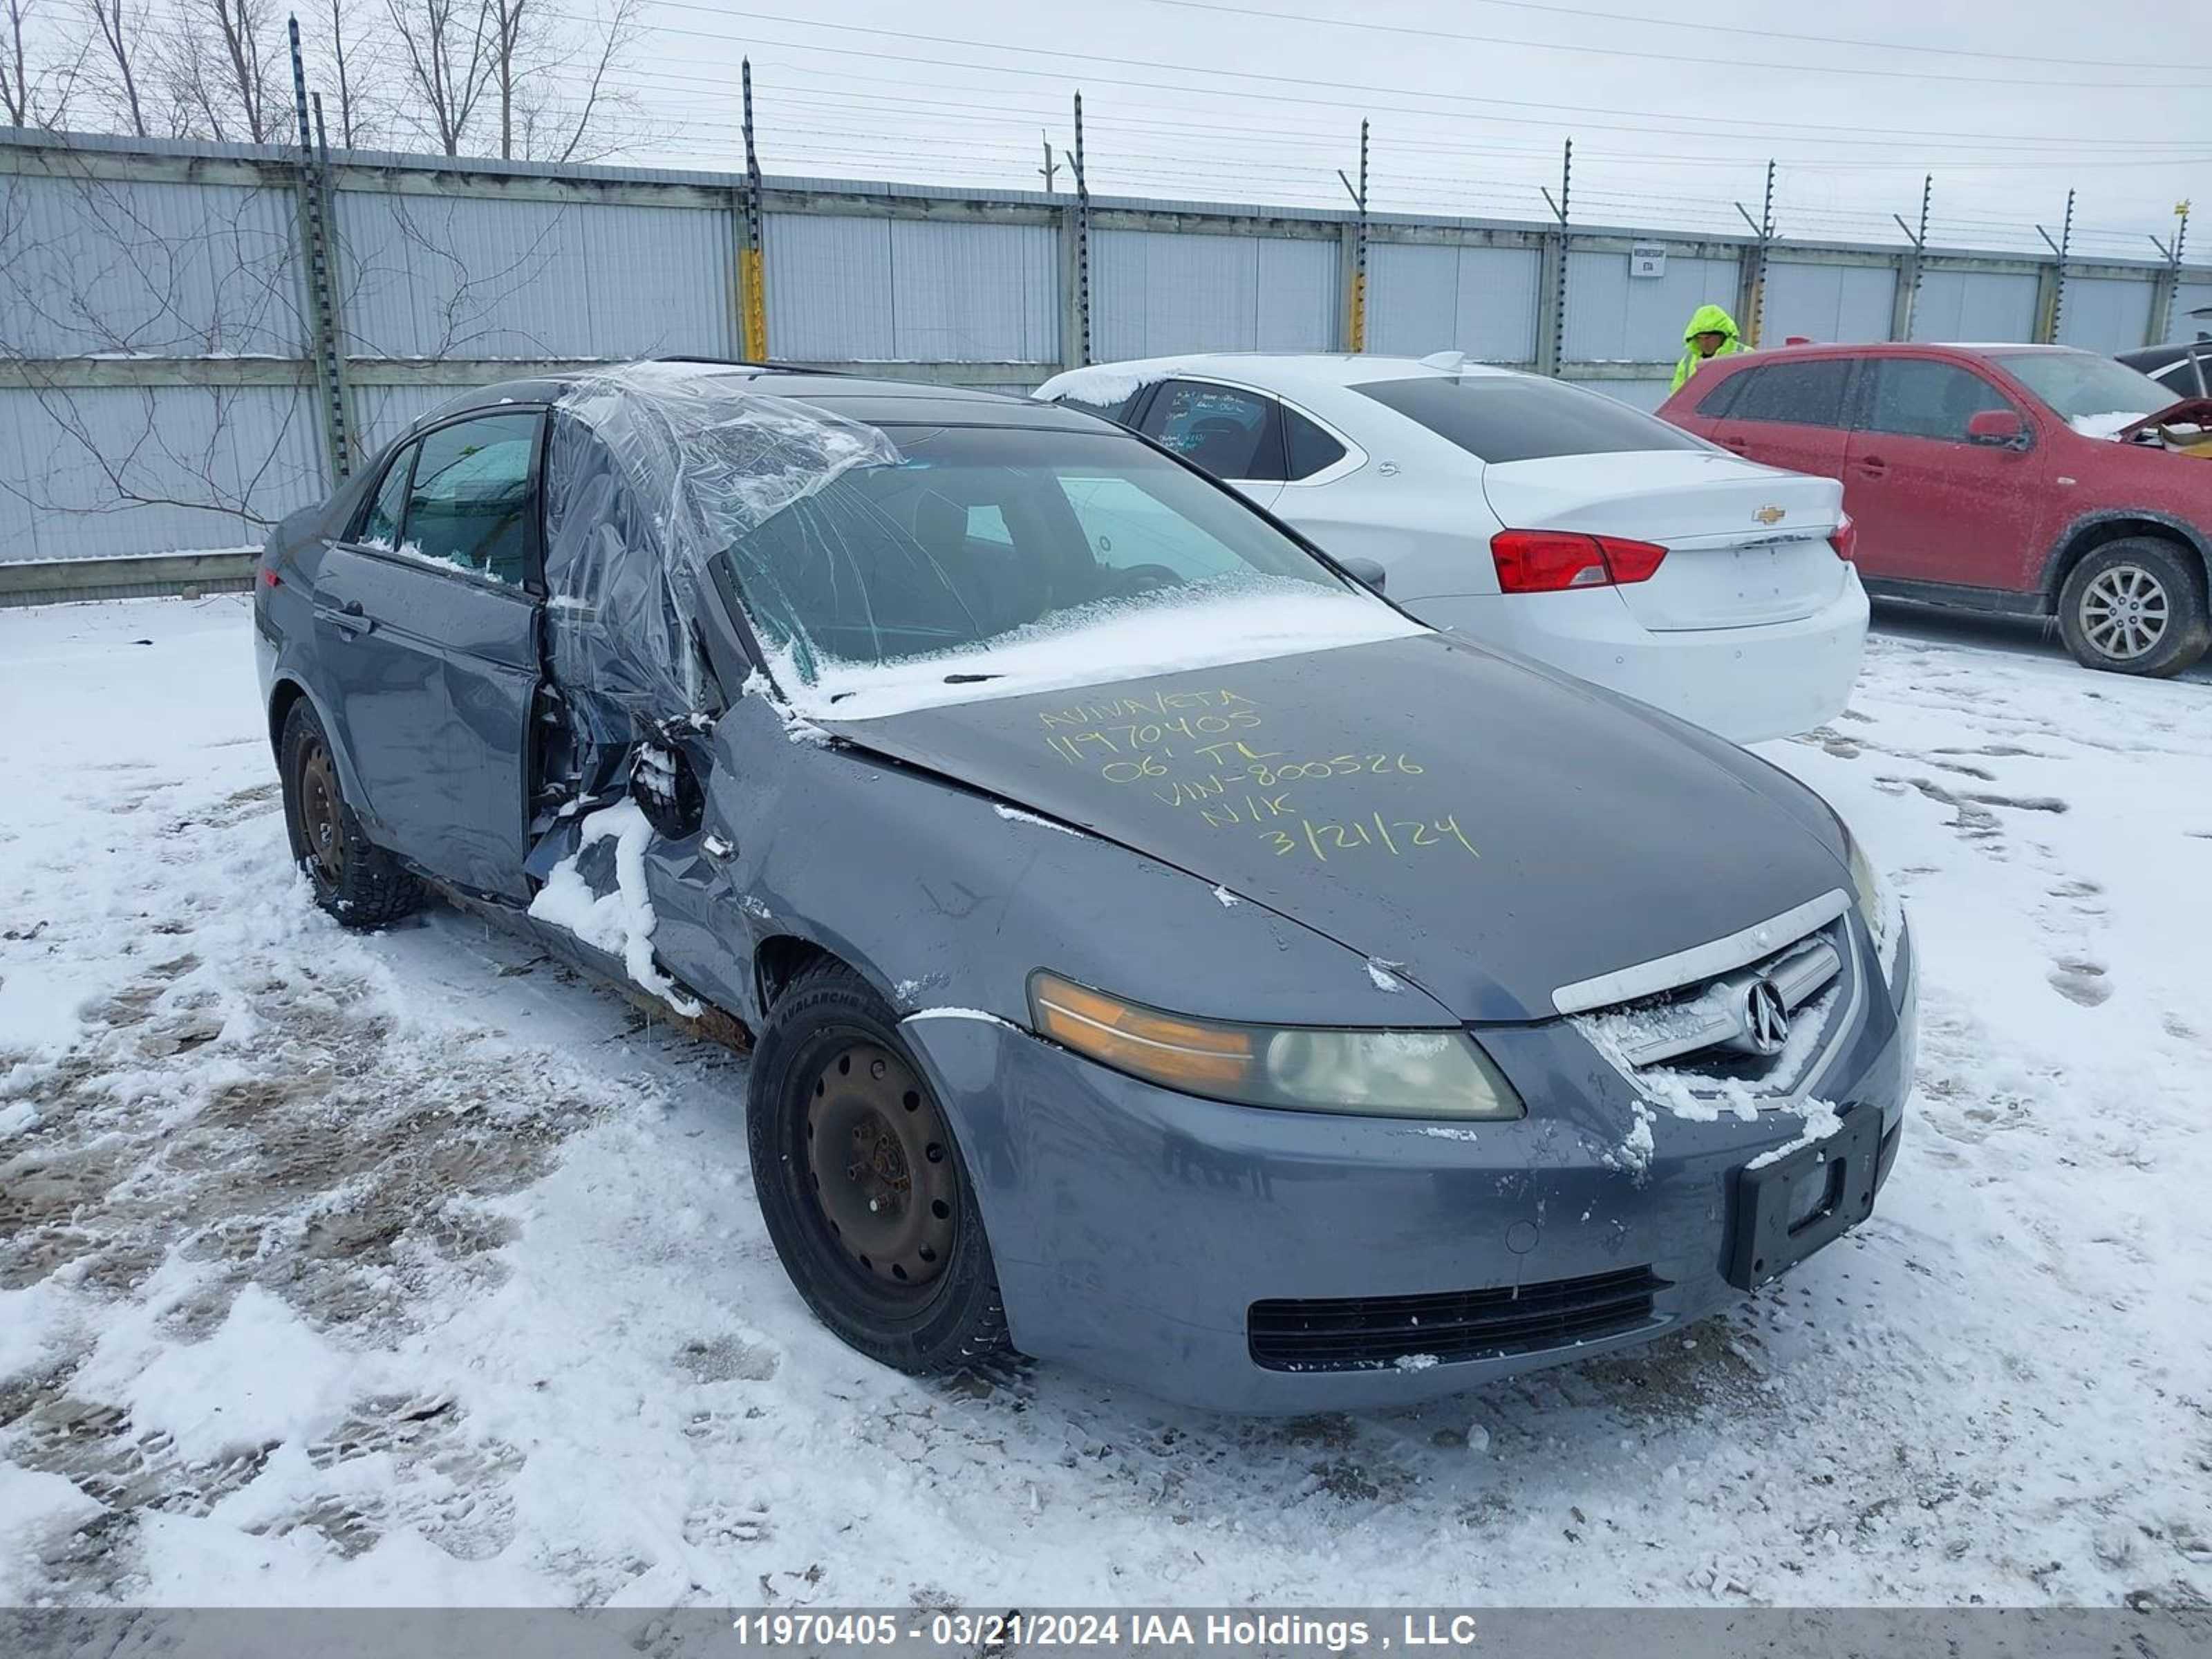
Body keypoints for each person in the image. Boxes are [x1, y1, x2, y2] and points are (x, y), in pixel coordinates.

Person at [1671, 303, 1745, 394]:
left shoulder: (1746, 355)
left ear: (1722, 336)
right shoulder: (1688, 362)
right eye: (1699, 338)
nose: (1704, 343)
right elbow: (1676, 396)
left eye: (1708, 338)